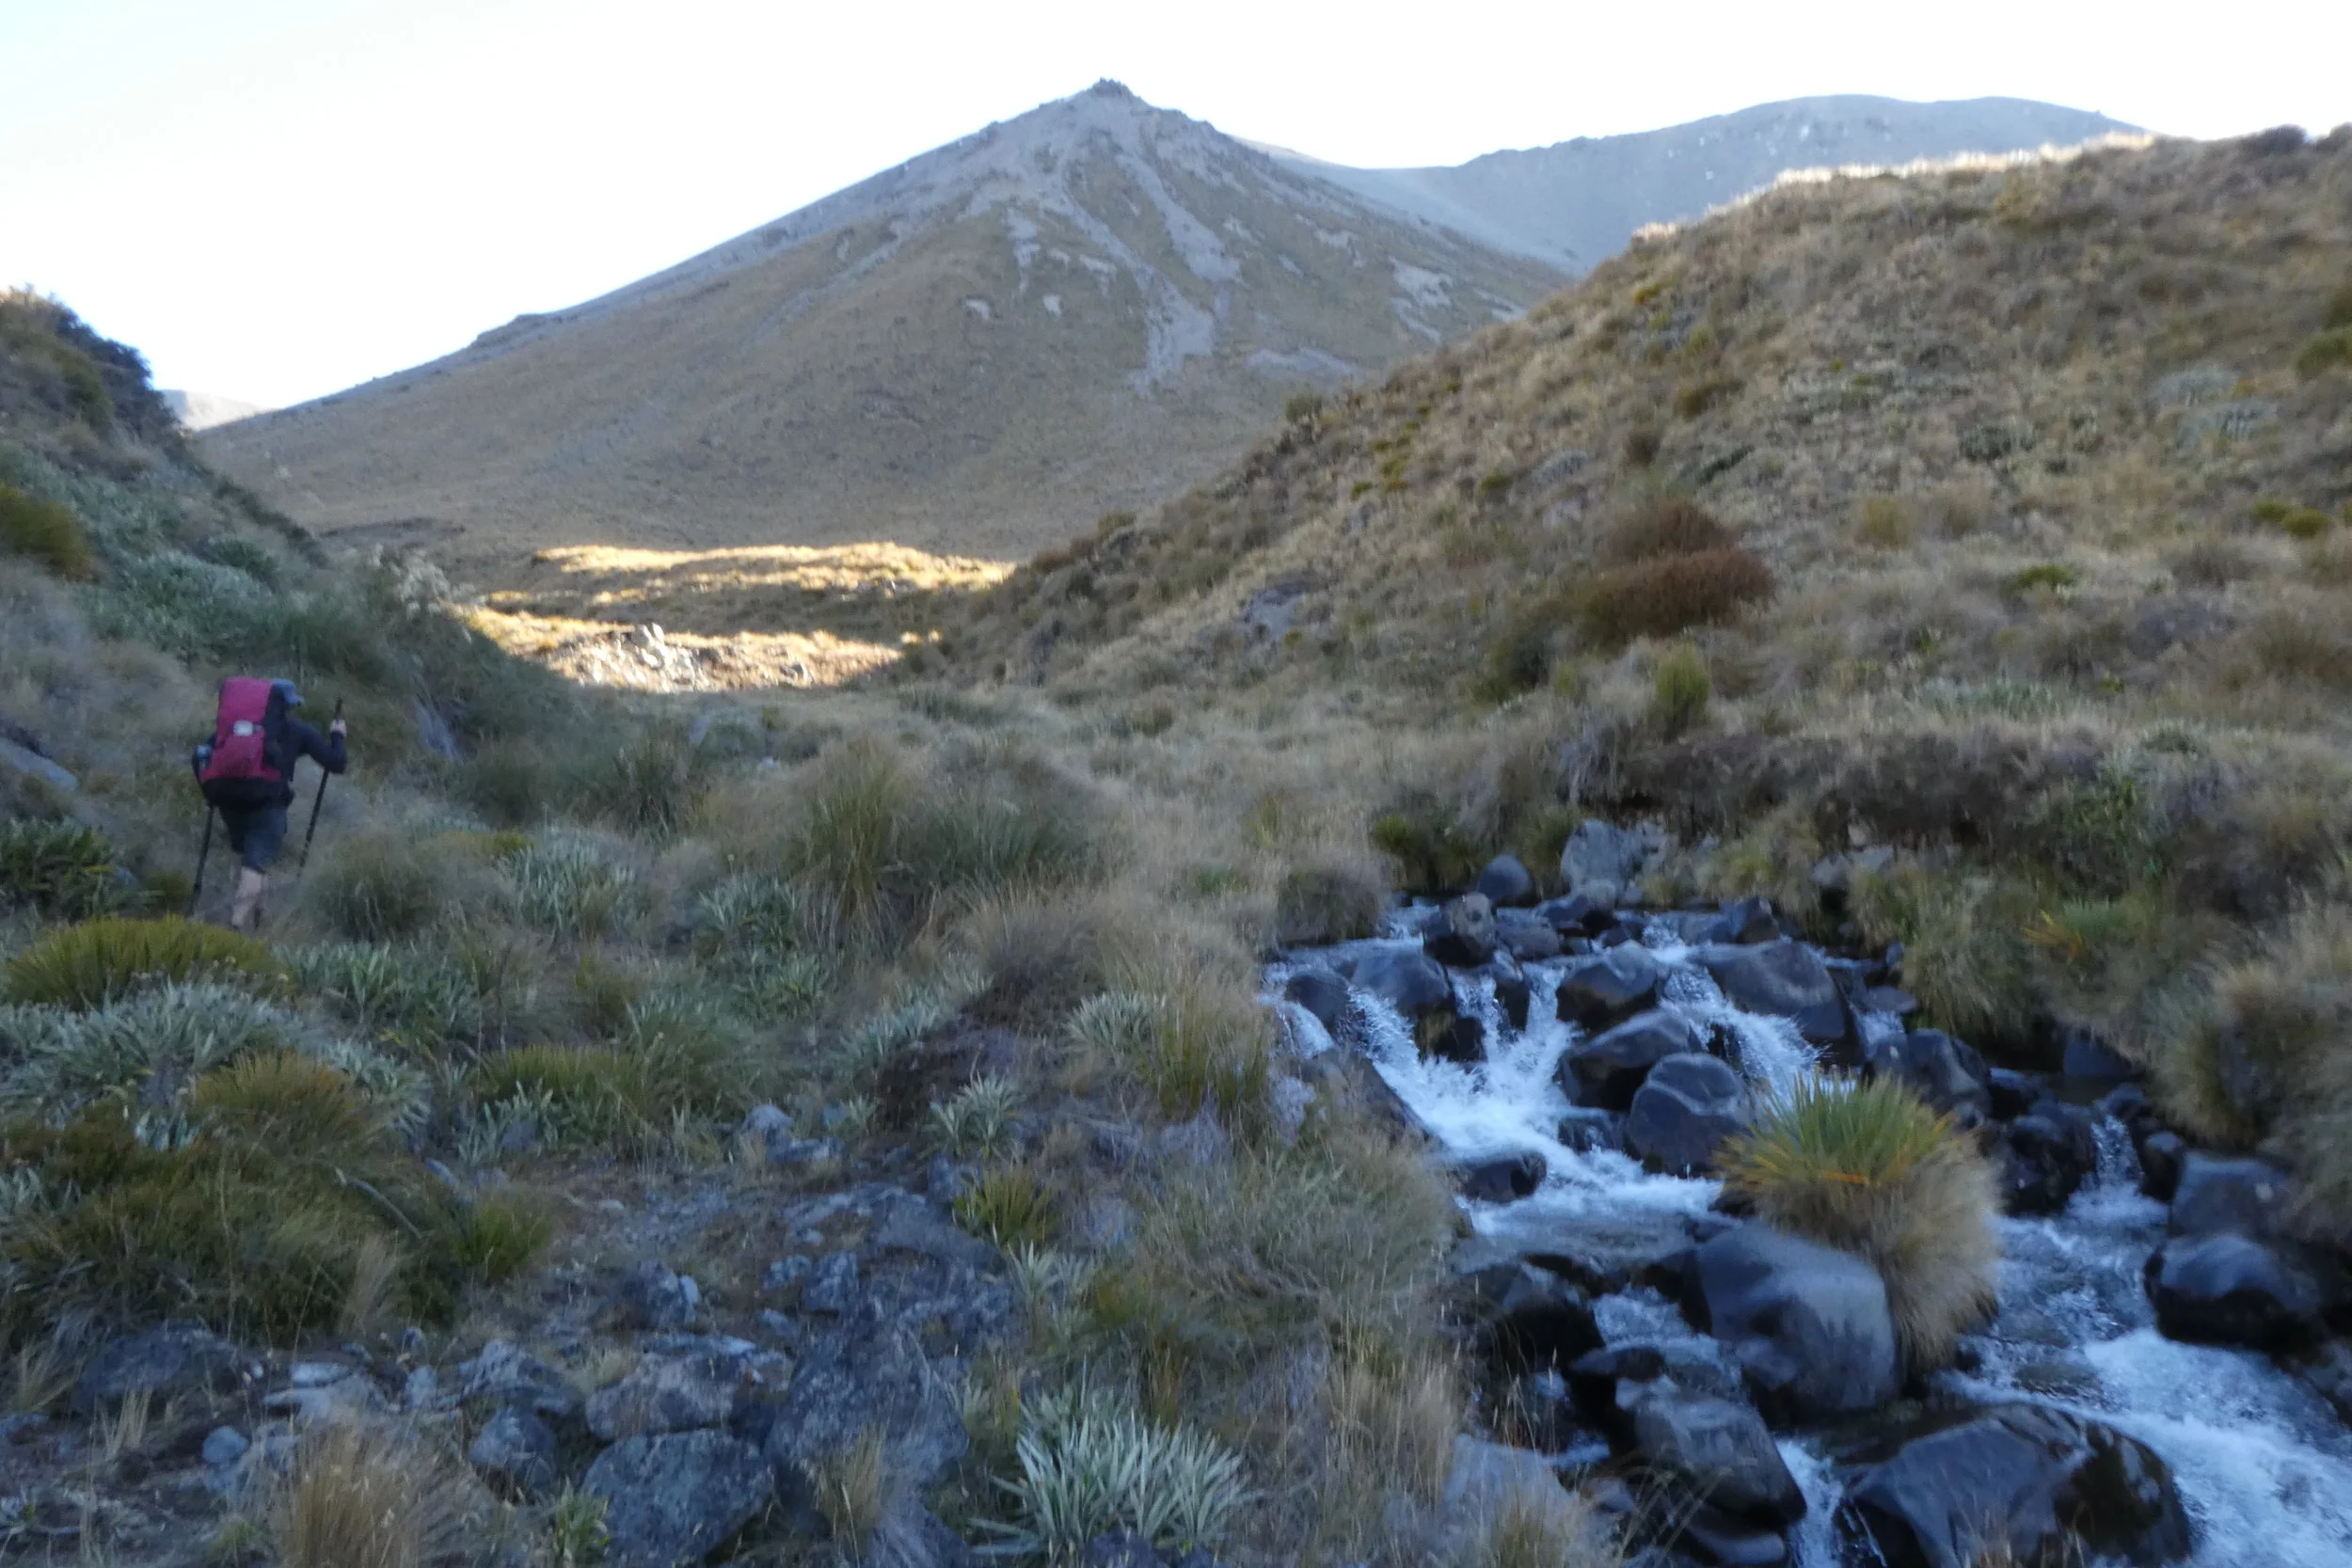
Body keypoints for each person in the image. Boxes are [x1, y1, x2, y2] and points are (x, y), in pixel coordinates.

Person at [192, 679, 346, 931]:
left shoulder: (232, 730)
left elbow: (200, 756)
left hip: (229, 800)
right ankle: (235, 927)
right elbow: (337, 763)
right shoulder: (298, 731)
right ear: (287, 706)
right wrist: (338, 735)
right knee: (255, 863)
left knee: (256, 859)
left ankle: (259, 923)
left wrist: (210, 793)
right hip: (268, 804)